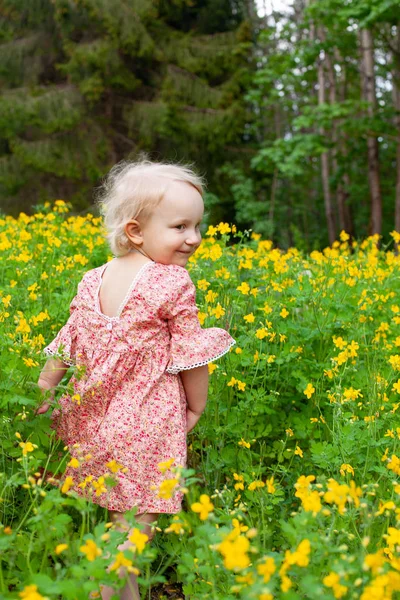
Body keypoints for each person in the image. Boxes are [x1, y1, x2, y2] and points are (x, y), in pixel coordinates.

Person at [36, 159, 235, 600]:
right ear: (136, 231)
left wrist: (45, 390)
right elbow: (189, 354)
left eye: (198, 225)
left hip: (97, 421)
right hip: (149, 421)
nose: (194, 238)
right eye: (180, 226)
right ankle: (100, 594)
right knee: (136, 529)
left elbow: (68, 342)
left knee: (117, 523)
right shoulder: (171, 282)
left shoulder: (93, 279)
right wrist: (196, 406)